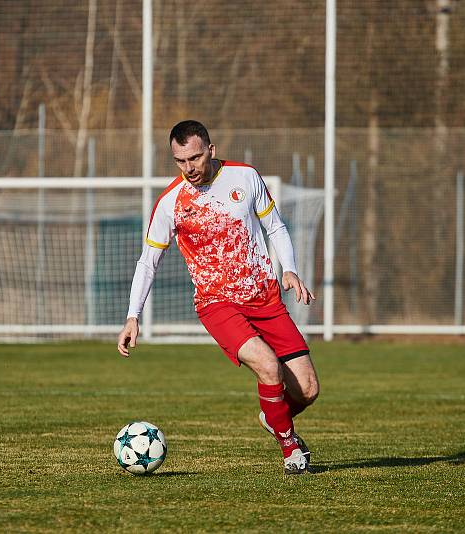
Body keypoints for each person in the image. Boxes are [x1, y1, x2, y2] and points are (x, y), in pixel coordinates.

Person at [117, 120, 320, 474]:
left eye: (194, 158)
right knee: (268, 366)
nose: (189, 168)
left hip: (265, 299)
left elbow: (275, 226)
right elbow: (148, 262)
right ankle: (291, 450)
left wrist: (289, 268)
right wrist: (133, 315)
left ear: (210, 150)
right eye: (180, 161)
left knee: (307, 388)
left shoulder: (245, 177)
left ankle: (274, 417)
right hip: (217, 304)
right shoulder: (170, 203)